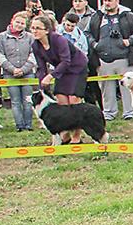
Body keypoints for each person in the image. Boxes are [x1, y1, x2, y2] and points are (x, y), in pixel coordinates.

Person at [30, 13, 89, 142]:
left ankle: (76, 137)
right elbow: (41, 67)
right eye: (32, 28)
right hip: (61, 71)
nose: (34, 31)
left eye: (37, 28)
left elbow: (66, 61)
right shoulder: (35, 45)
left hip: (77, 68)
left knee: (73, 101)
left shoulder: (59, 39)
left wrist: (51, 76)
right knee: (61, 101)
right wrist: (42, 85)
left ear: (46, 30)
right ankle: (65, 134)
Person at [87, 0, 133, 121]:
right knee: (106, 88)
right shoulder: (97, 16)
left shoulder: (127, 15)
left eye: (109, 0)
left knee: (128, 88)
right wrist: (95, 44)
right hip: (104, 58)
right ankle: (109, 112)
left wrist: (130, 40)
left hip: (124, 57)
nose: (107, 3)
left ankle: (129, 112)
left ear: (117, 1)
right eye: (105, 1)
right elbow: (87, 33)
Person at [0, 12, 36, 131]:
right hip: (9, 74)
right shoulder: (1, 37)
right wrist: (12, 69)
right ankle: (19, 125)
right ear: (12, 21)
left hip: (27, 73)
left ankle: (28, 125)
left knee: (28, 100)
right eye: (17, 22)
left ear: (25, 25)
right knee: (15, 101)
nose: (19, 25)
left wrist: (24, 69)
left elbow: (34, 54)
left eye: (22, 23)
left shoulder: (30, 37)